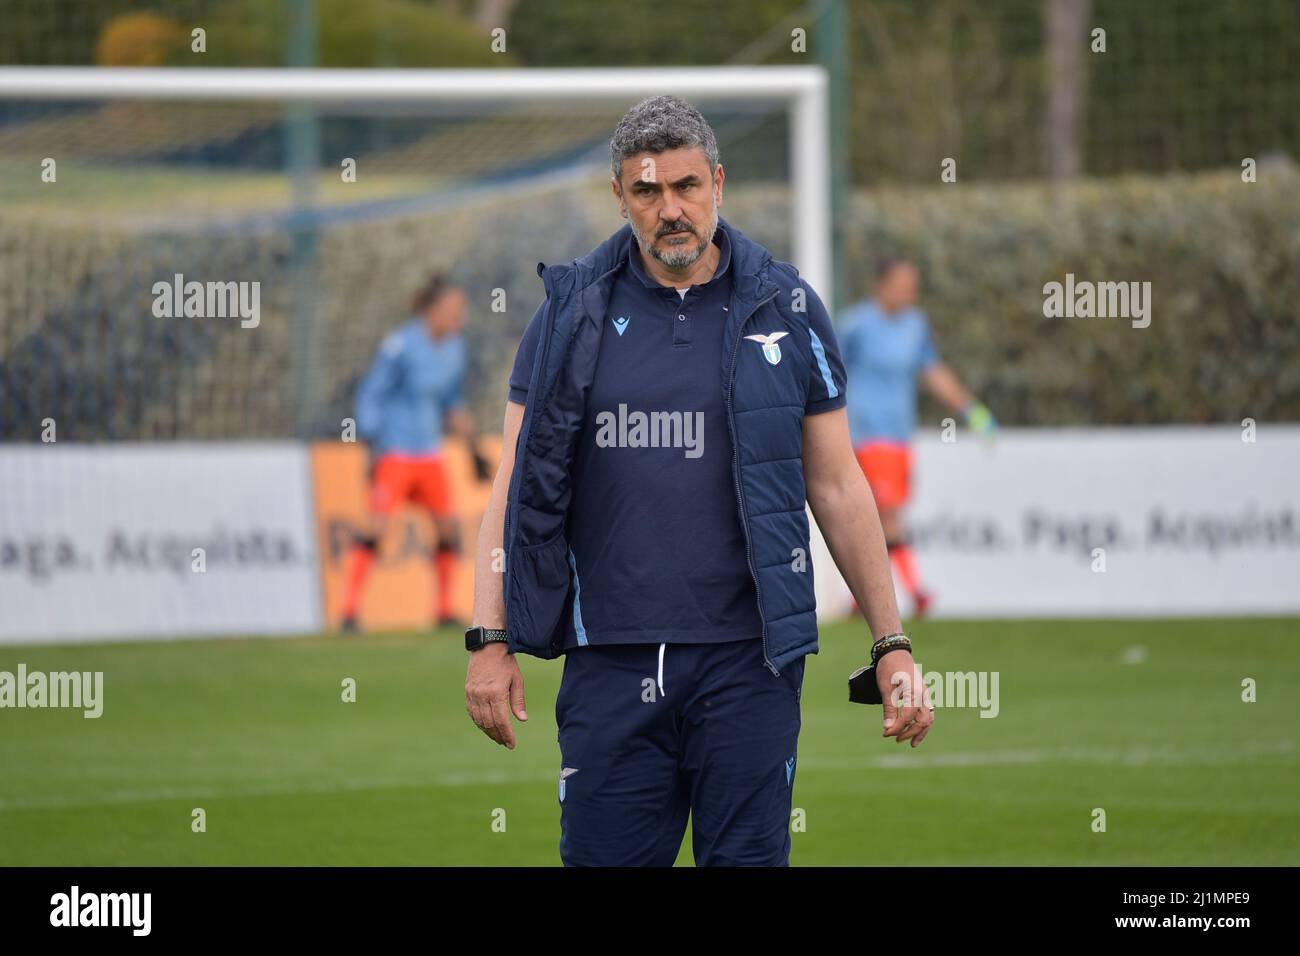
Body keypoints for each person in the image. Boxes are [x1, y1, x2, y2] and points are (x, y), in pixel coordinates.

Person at [464, 95, 933, 867]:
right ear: (620, 198)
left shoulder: (787, 306)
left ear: (719, 182)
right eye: (646, 192)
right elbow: (512, 486)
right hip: (608, 660)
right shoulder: (569, 313)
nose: (669, 209)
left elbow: (839, 486)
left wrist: (891, 643)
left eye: (686, 187)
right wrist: (489, 637)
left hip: (750, 663)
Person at [838, 259, 997, 617]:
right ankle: (917, 593)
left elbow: (933, 370)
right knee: (888, 516)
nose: (909, 291)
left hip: (898, 435)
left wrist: (972, 410)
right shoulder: (855, 326)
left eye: (913, 284)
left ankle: (860, 597)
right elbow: (828, 373)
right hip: (866, 434)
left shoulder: (915, 325)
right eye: (901, 283)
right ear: (880, 285)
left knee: (879, 519)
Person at [339, 275, 488, 632]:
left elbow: (451, 400)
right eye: (453, 311)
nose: (459, 318)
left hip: (429, 453)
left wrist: (472, 447)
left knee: (447, 529)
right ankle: (348, 611)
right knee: (377, 527)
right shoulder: (400, 345)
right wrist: (372, 440)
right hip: (395, 451)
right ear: (432, 311)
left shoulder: (454, 349)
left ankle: (442, 610)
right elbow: (372, 393)